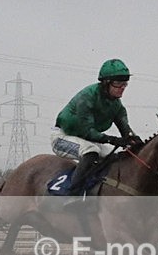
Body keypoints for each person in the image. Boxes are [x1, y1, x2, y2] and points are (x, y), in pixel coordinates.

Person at [50, 58, 143, 204]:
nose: (122, 88)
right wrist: (111, 139)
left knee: (116, 157)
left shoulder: (117, 105)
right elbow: (86, 131)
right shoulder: (87, 97)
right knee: (90, 152)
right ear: (106, 83)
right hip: (63, 137)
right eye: (118, 84)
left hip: (88, 140)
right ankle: (72, 196)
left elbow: (126, 131)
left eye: (124, 84)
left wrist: (135, 141)